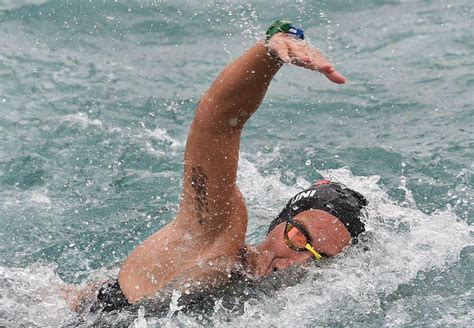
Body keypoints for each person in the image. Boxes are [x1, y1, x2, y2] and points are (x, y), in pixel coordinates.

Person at [84, 20, 368, 313]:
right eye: (299, 239)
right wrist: (269, 54)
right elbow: (218, 125)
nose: (295, 263)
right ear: (280, 222)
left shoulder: (285, 311)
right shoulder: (217, 240)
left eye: (320, 258)